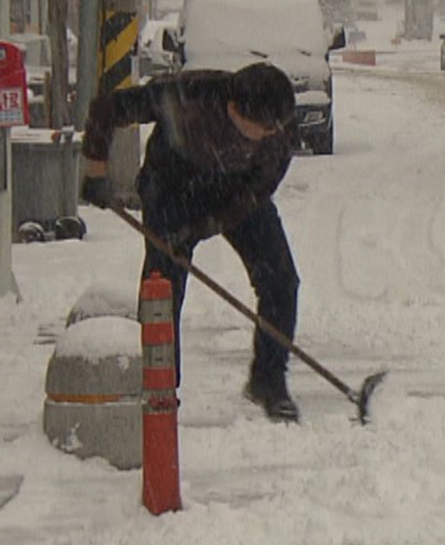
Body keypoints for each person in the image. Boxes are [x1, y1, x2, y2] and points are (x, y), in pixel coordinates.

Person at [79, 62, 303, 422]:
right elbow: (108, 108)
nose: (273, 134)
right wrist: (96, 171)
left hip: (236, 192)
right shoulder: (188, 96)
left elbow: (256, 193)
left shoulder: (280, 129)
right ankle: (161, 385)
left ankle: (268, 380)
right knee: (162, 289)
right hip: (171, 183)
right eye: (263, 128)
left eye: (277, 126)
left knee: (281, 281)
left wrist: (207, 225)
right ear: (233, 109)